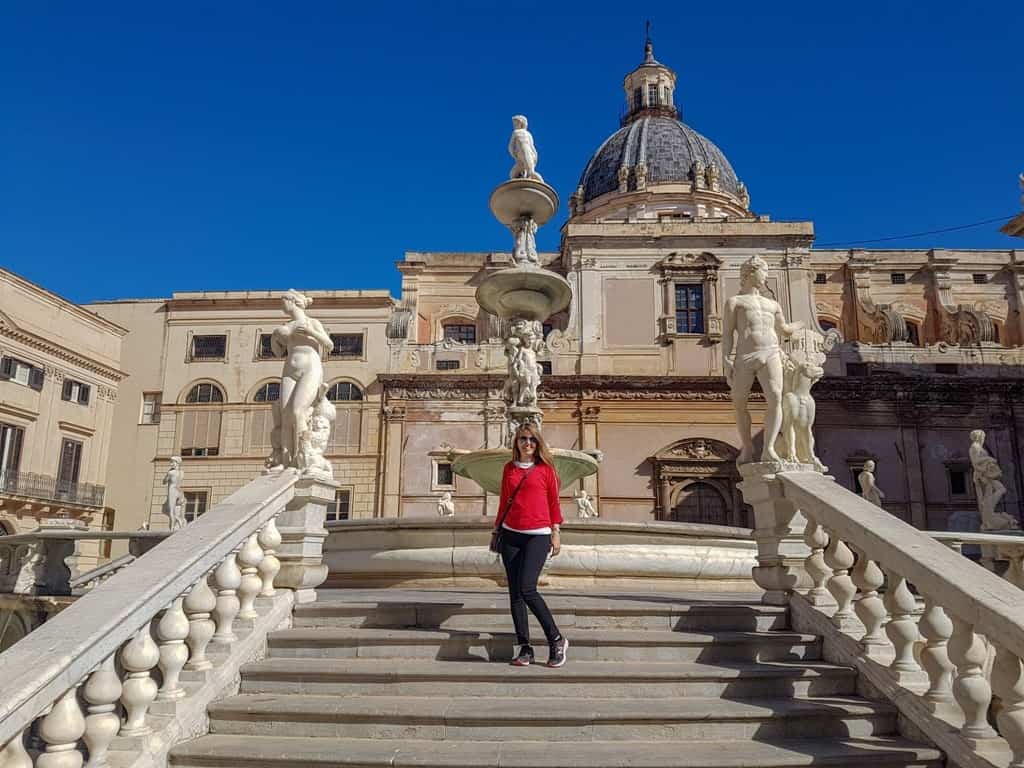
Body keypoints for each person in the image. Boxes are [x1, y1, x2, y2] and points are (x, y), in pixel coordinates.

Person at [496, 424, 568, 667]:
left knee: (528, 589)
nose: (527, 443)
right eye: (523, 439)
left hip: (538, 535)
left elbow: (554, 503)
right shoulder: (509, 469)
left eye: (532, 440)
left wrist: (556, 532)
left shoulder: (546, 470)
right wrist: (497, 529)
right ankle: (524, 647)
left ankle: (556, 639)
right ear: (516, 442)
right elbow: (504, 501)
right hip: (510, 534)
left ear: (538, 444)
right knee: (515, 593)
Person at [723, 255, 803, 464]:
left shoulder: (773, 304)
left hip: (771, 351)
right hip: (745, 355)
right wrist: (725, 359)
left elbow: (784, 329)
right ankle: (748, 447)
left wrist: (799, 326)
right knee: (739, 401)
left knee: (776, 397)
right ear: (750, 273)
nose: (766, 277)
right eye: (763, 272)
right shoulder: (735, 302)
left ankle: (768, 449)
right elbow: (727, 333)